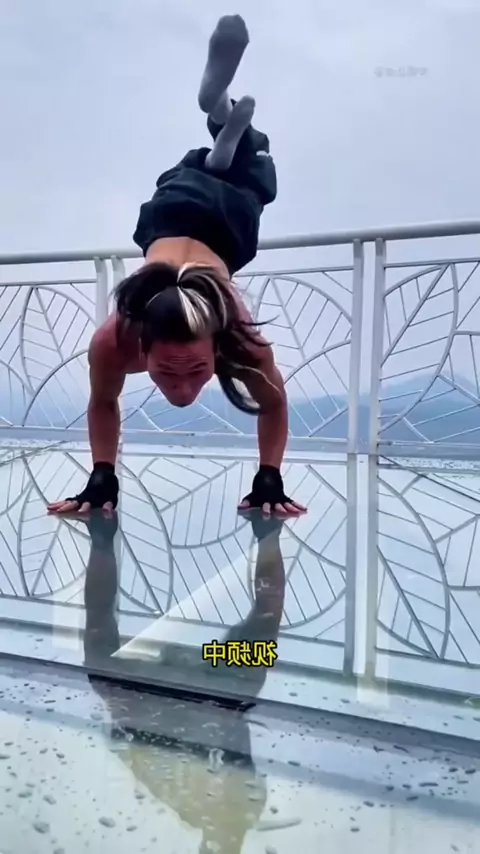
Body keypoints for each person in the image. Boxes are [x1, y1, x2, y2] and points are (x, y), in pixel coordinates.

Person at [47, 15, 307, 518]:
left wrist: (102, 477)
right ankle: (221, 124)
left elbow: (103, 401)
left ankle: (226, 133)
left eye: (193, 370)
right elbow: (273, 402)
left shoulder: (124, 341)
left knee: (251, 169)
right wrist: (102, 478)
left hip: (224, 224)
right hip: (169, 212)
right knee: (233, 164)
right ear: (142, 345)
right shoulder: (226, 338)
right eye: (170, 371)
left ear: (216, 346)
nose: (184, 388)